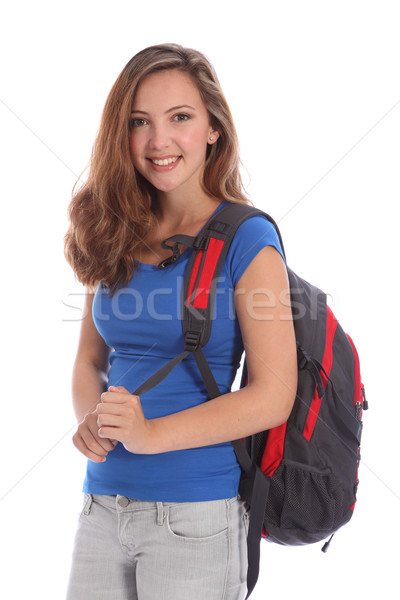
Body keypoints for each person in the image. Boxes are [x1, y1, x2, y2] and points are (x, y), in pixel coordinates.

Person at [64, 43, 297, 600]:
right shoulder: (111, 228)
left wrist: (150, 435)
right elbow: (90, 359)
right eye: (139, 122)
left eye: (181, 118)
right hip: (101, 507)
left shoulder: (248, 241)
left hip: (194, 520)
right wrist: (91, 422)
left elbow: (274, 394)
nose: (158, 141)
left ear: (214, 128)